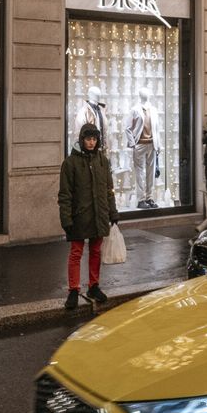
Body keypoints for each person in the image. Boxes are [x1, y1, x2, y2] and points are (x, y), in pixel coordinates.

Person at [58, 123, 116, 309]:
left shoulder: (103, 161)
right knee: (76, 253)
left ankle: (94, 286)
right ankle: (73, 290)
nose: (91, 143)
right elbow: (65, 194)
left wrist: (112, 211)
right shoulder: (70, 163)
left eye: (94, 139)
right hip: (79, 216)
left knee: (96, 251)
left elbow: (109, 190)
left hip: (98, 214)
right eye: (88, 139)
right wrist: (66, 218)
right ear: (82, 140)